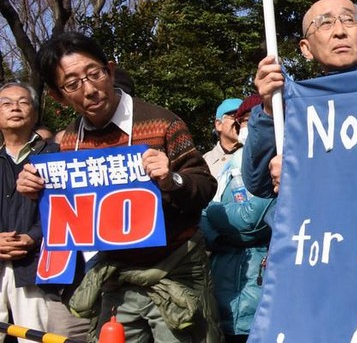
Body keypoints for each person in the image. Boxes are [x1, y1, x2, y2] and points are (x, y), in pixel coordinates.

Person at [16, 32, 221, 342]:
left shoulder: (161, 122)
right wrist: (38, 191)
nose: (89, 89)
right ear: (59, 97)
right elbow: (71, 211)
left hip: (177, 271)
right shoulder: (69, 142)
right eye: (72, 84)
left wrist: (172, 180)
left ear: (109, 70)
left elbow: (204, 186)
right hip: (114, 277)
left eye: (94, 74)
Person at [243, 0, 357, 198]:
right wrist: (270, 110)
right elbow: (258, 183)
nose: (339, 31)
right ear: (306, 48)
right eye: (325, 23)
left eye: (349, 20)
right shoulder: (296, 109)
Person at [200, 94, 274, 343]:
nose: (244, 126)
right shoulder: (227, 162)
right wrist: (216, 230)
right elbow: (199, 218)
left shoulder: (277, 162)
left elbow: (250, 221)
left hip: (260, 283)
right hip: (224, 283)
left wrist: (213, 211)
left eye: (252, 118)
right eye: (241, 120)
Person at [0, 82, 55, 341]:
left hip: (35, 266)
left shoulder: (54, 154)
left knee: (35, 336)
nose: (15, 108)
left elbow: (65, 208)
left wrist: (33, 236)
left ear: (33, 113)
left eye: (23, 102)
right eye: (6, 103)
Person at [204, 97, 243, 200]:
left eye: (245, 118)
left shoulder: (255, 157)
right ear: (219, 125)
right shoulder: (204, 162)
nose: (240, 122)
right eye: (234, 116)